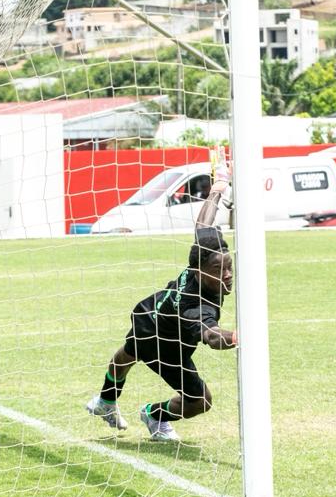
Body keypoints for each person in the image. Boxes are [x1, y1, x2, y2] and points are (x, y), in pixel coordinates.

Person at [85, 174, 236, 441]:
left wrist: (216, 189)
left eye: (229, 266)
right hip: (166, 347)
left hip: (150, 313)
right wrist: (237, 337)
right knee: (201, 401)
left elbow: (203, 224)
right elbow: (212, 336)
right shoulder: (196, 306)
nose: (227, 275)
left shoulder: (204, 253)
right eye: (218, 270)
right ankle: (153, 414)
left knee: (126, 356)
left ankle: (106, 401)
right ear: (198, 271)